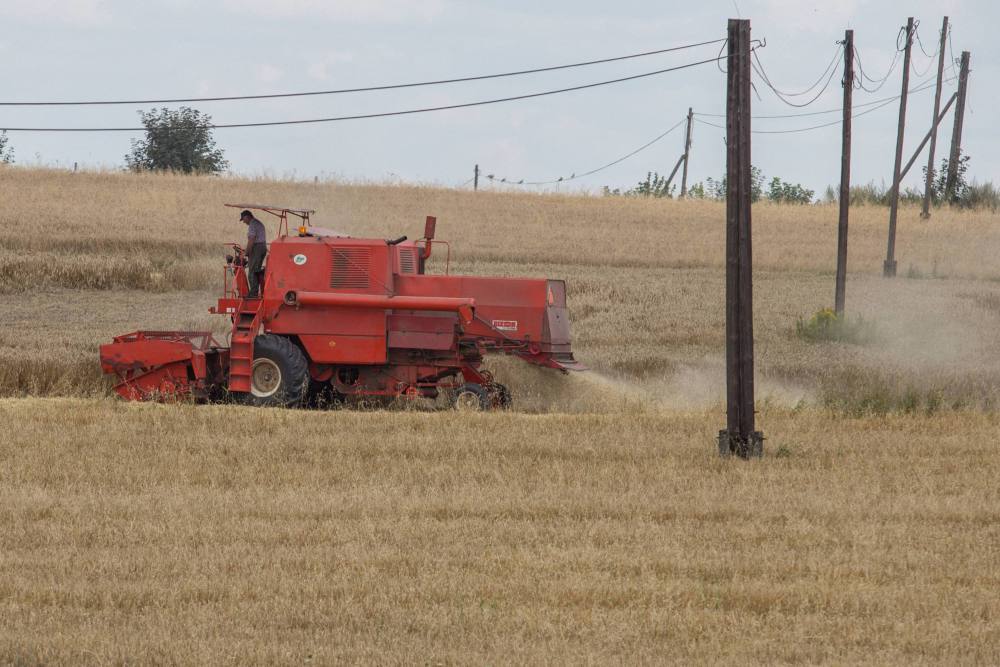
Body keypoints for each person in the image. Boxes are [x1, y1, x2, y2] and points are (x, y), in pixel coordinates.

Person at [240, 209, 267, 298]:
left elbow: (251, 240)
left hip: (257, 248)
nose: (244, 222)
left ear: (247, 217)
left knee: (252, 271)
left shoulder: (252, 225)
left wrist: (246, 252)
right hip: (262, 247)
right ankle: (258, 291)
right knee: (257, 270)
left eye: (243, 219)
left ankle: (253, 294)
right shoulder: (258, 223)